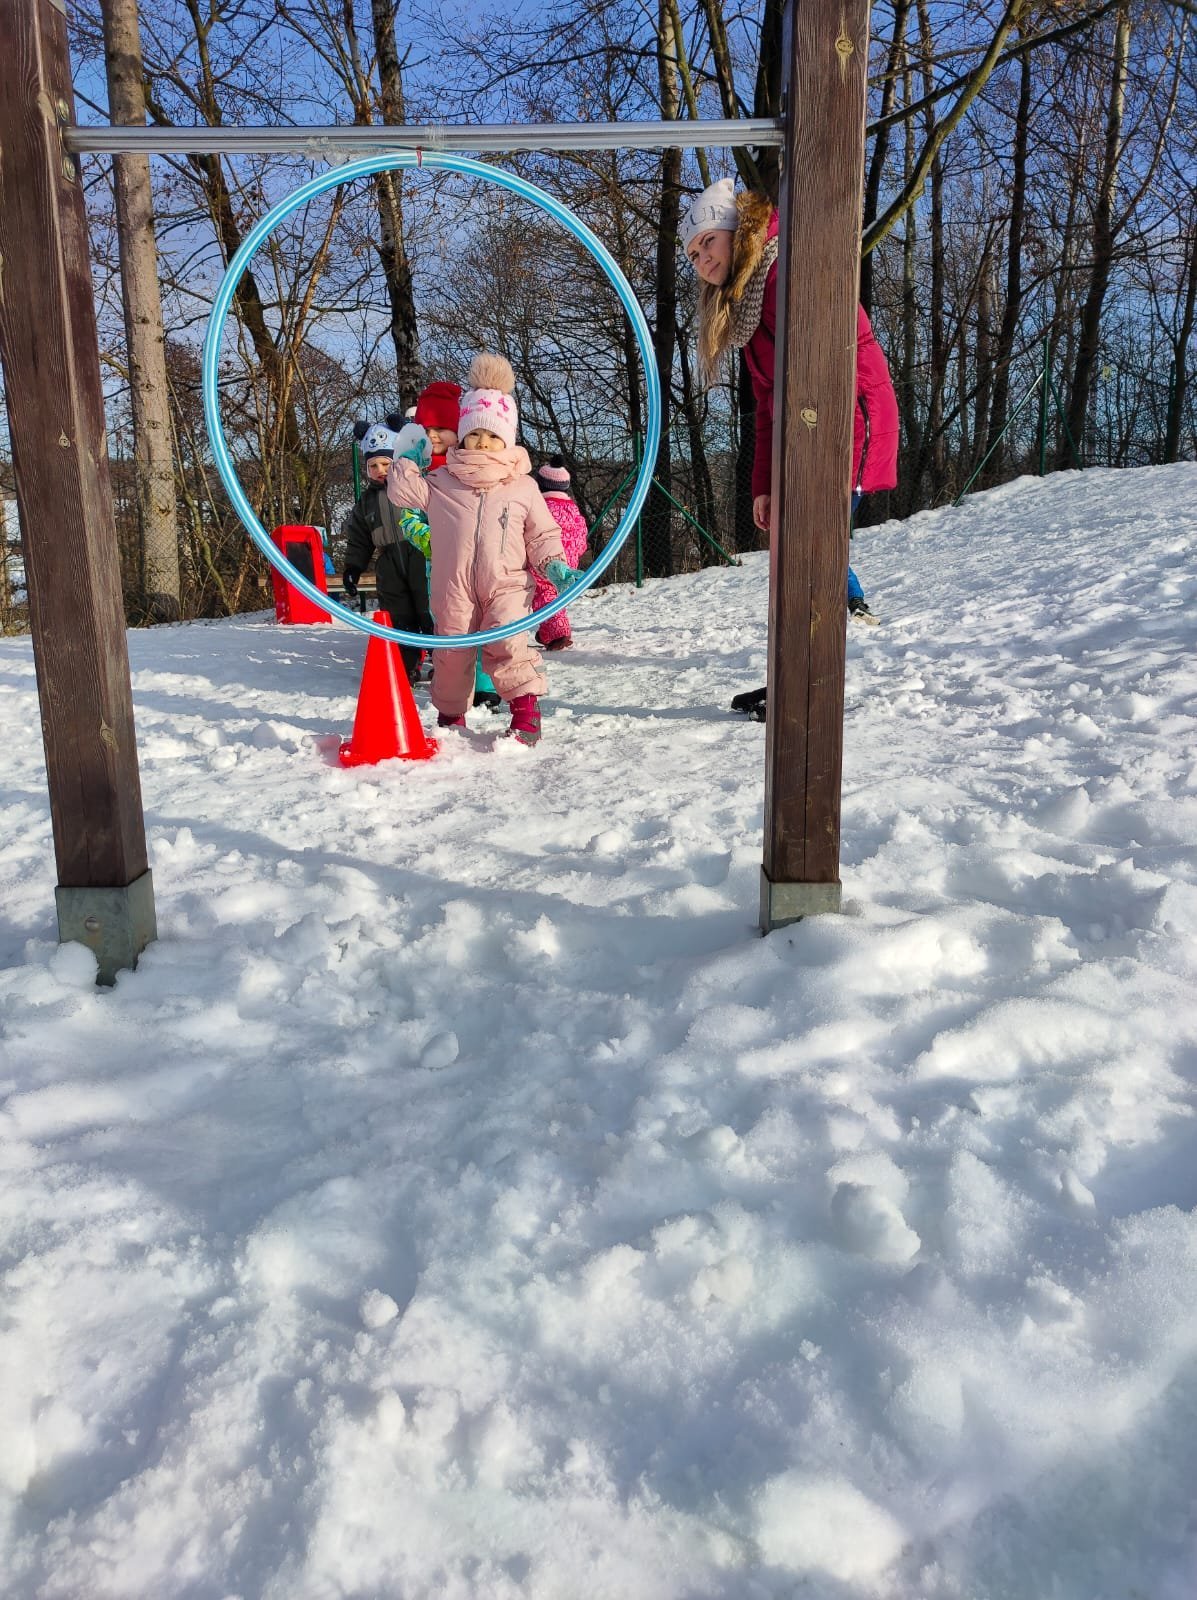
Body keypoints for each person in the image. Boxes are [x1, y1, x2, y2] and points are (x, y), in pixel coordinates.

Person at [681, 177, 900, 711]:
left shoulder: (784, 273)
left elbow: (825, 368)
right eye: (692, 255)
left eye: (708, 241)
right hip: (808, 435)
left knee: (811, 562)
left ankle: (806, 691)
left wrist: (808, 465)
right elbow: (767, 403)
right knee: (792, 561)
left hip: (844, 426)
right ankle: (791, 680)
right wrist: (765, 483)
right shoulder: (749, 299)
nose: (702, 259)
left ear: (737, 231)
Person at [387, 353, 583, 746]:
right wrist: (407, 459)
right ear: (462, 435)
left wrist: (554, 565)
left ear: (506, 440)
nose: (483, 442)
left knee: (508, 644)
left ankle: (525, 713)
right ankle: (450, 717)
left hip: (506, 584)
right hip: (453, 586)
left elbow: (542, 533)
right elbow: (402, 493)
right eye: (474, 433)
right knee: (451, 653)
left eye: (493, 436)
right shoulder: (442, 480)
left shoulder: (522, 486)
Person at [341, 421, 434, 683]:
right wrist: (353, 568)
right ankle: (406, 666)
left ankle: (444, 661)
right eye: (373, 466)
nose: (380, 470)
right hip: (388, 563)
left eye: (385, 463)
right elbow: (359, 539)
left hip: (421, 556)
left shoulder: (416, 485)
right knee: (398, 616)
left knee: (430, 611)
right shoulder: (367, 501)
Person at [530, 457, 590, 651]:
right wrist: (576, 552)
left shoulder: (540, 507)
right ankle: (548, 633)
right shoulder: (572, 508)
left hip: (546, 560)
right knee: (555, 593)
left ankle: (558, 633)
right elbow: (581, 533)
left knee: (545, 593)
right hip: (569, 559)